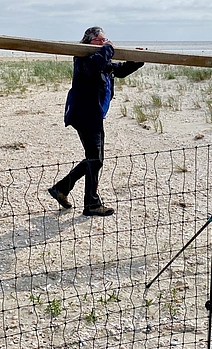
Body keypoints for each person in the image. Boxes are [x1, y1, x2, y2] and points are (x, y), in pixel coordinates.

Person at [48, 27, 144, 216]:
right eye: (99, 40)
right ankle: (90, 204)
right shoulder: (83, 59)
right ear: (88, 42)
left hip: (94, 116)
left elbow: (119, 70)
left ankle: (62, 188)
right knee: (95, 159)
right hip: (84, 116)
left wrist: (138, 60)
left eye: (104, 39)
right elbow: (93, 67)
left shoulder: (102, 60)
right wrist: (107, 49)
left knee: (95, 159)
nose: (103, 43)